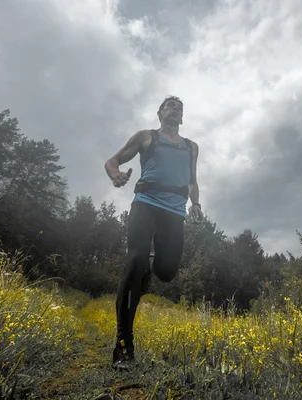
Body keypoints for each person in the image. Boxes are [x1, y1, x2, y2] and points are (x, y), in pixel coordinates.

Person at [104, 95, 203, 370]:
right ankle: (123, 345)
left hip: (175, 211)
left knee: (167, 272)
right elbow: (112, 160)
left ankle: (149, 264)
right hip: (146, 203)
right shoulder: (146, 137)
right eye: (170, 105)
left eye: (180, 107)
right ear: (160, 113)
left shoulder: (191, 147)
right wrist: (116, 176)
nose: (176, 109)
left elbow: (193, 181)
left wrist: (195, 204)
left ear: (182, 117)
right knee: (133, 263)